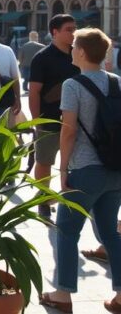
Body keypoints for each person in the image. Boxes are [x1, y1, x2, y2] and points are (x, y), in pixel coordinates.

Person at [39, 28, 121, 313]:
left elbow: (68, 132)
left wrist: (63, 170)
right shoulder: (117, 83)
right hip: (114, 170)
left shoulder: (73, 86)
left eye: (74, 46)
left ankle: (63, 294)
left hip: (85, 169)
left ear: (83, 53)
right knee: (111, 232)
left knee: (66, 231)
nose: (71, 49)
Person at [28, 14, 79, 220]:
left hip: (76, 120)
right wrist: (36, 122)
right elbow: (34, 92)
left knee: (76, 162)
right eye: (69, 29)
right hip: (49, 119)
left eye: (74, 28)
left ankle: (71, 200)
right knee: (44, 161)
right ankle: (43, 199)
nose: (73, 33)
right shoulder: (42, 57)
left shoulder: (78, 55)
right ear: (54, 32)